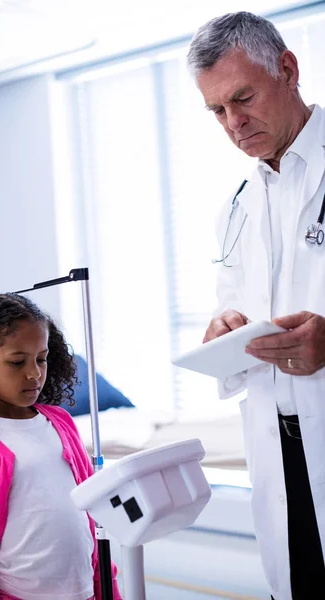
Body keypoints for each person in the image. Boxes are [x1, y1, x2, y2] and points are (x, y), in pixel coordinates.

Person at [187, 11, 325, 600]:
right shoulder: (237, 208)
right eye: (217, 111)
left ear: (288, 69)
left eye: (243, 98)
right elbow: (231, 307)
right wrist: (224, 330)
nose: (233, 123)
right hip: (278, 446)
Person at [0, 292, 122, 600]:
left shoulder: (61, 423)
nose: (34, 374)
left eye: (41, 359)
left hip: (85, 592)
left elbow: (91, 517)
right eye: (17, 362)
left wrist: (107, 589)